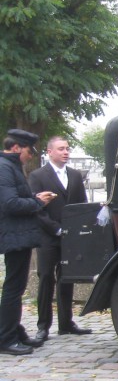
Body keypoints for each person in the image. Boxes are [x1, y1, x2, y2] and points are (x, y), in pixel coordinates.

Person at [0, 129, 57, 355]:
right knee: (13, 288)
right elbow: (10, 203)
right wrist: (37, 202)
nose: (31, 155)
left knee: (15, 287)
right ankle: (7, 338)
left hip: (19, 235)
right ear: (16, 148)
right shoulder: (5, 168)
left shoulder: (10, 166)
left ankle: (14, 331)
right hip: (14, 235)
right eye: (29, 150)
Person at [29, 136, 91, 341]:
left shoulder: (74, 175)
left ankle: (66, 323)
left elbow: (82, 204)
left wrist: (78, 229)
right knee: (46, 278)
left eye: (68, 148)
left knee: (67, 278)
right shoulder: (38, 175)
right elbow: (36, 209)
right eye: (61, 149)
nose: (66, 152)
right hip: (48, 237)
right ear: (50, 152)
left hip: (70, 237)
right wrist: (56, 229)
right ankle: (43, 326)